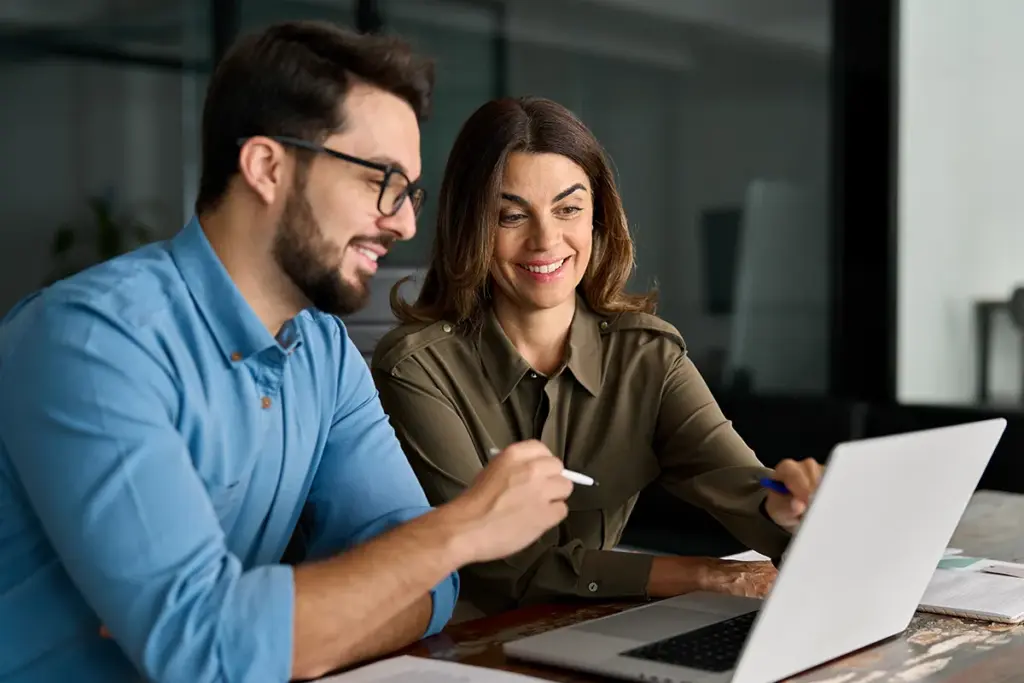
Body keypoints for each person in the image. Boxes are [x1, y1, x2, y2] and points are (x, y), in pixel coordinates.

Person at [0, 25, 574, 683]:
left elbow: (431, 593)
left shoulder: (323, 353)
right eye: (382, 180)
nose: (406, 223)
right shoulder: (93, 342)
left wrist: (281, 630)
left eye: (410, 191)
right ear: (267, 167)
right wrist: (462, 530)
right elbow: (209, 649)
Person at [371, 96, 824, 616]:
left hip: (595, 632)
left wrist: (786, 508)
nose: (546, 240)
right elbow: (500, 569)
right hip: (462, 651)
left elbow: (742, 485)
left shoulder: (647, 355)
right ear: (469, 226)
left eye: (569, 209)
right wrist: (696, 574)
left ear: (598, 218)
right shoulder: (416, 368)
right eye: (512, 215)